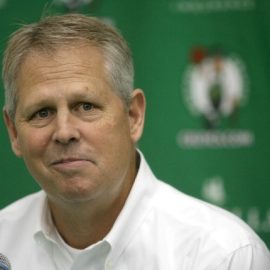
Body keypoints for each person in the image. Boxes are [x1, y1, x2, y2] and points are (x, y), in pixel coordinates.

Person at [0, 13, 269, 270]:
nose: (64, 132)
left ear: (133, 116)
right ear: (13, 132)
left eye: (85, 106)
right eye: (42, 112)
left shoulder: (223, 256)